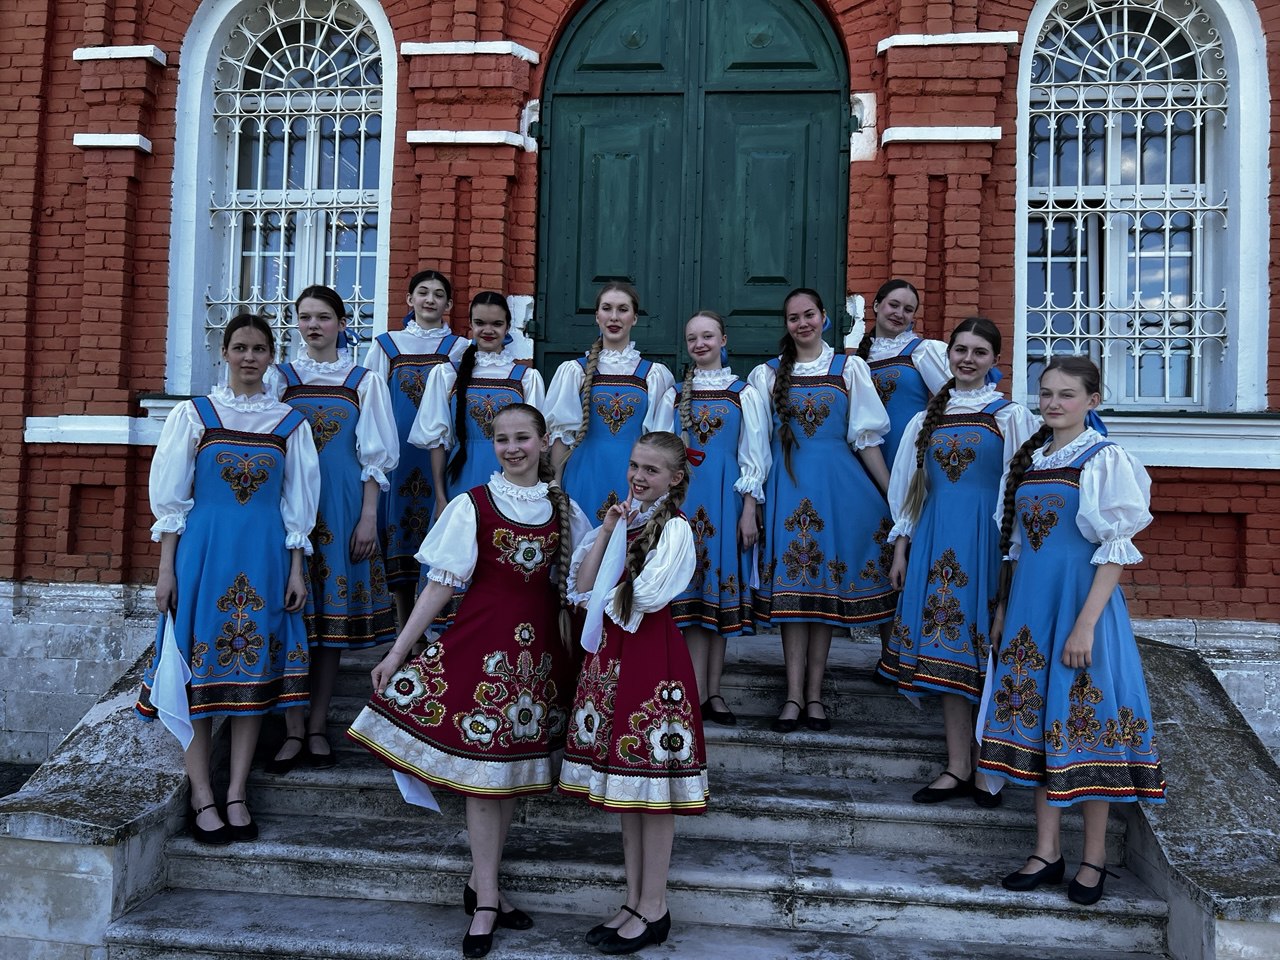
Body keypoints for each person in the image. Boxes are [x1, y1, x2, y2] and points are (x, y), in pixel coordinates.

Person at [347, 404, 591, 958]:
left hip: (538, 661)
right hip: (482, 653)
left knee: (506, 779)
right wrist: (399, 650)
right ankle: (486, 900)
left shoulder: (564, 508)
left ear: (544, 441)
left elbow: (583, 579)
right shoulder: (472, 504)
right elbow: (439, 586)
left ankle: (485, 886)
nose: (512, 448)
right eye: (502, 439)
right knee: (484, 781)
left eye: (523, 438)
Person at [977, 355, 1166, 905]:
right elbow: (1016, 550)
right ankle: (1046, 852)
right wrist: (1003, 611)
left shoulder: (1104, 459)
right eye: (1046, 393)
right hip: (1030, 612)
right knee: (1042, 723)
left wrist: (1085, 627)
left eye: (1066, 394)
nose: (1053, 403)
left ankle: (1094, 858)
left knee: (1086, 726)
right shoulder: (1032, 460)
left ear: (1092, 401)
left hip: (1082, 610)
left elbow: (1115, 552)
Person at [135, 314, 319, 844]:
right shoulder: (195, 415)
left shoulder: (290, 424)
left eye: (259, 349)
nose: (249, 357)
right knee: (197, 681)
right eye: (240, 347)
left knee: (252, 677)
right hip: (203, 556)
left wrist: (297, 569)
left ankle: (237, 792)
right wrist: (166, 571)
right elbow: (172, 502)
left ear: (271, 356)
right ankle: (202, 795)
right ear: (224, 352)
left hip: (264, 558)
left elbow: (297, 505)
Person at [878, 318, 1039, 807]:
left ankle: (990, 766)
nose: (968, 359)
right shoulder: (924, 420)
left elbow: (1024, 491)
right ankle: (957, 766)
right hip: (934, 542)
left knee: (986, 655)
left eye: (979, 352)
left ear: (995, 360)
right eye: (960, 350)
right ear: (948, 355)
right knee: (946, 653)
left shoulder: (1011, 417)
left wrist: (1016, 556)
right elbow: (910, 491)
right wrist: (901, 547)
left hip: (987, 544)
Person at [559, 431, 705, 955]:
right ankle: (634, 899)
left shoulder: (676, 529)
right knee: (628, 791)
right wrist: (607, 531)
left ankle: (655, 905)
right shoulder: (626, 521)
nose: (639, 477)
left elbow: (643, 596)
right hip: (613, 657)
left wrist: (600, 594)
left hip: (651, 661)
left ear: (675, 478)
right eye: (635, 466)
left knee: (652, 791)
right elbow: (582, 586)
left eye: (651, 470)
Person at [749, 288, 896, 733]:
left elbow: (865, 439)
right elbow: (756, 446)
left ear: (824, 317)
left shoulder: (849, 368)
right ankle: (793, 696)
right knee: (794, 597)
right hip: (787, 489)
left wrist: (892, 497)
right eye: (793, 317)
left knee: (824, 596)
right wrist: (754, 501)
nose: (802, 323)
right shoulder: (765, 375)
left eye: (808, 314)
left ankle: (814, 695)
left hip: (838, 491)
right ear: (786, 324)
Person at [268, 285, 399, 772]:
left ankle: (318, 726)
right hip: (288, 509)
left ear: (342, 323)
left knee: (329, 628)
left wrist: (368, 517)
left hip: (342, 509)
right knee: (293, 620)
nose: (313, 325)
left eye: (323, 317)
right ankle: (291, 728)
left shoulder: (363, 381)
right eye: (305, 317)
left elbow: (374, 456)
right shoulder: (280, 379)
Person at [661, 311, 769, 725]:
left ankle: (714, 692)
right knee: (688, 600)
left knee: (717, 598)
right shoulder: (672, 395)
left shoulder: (744, 393)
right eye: (693, 338)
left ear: (723, 340)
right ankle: (691, 691)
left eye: (708, 336)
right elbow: (659, 452)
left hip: (725, 503)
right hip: (683, 503)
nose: (700, 344)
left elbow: (754, 455)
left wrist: (749, 510)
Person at [365, 269, 470, 627]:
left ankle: (431, 629)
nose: (430, 300)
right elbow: (371, 401)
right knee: (398, 534)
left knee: (437, 534)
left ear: (448, 304)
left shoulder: (459, 349)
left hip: (440, 457)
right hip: (397, 455)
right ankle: (403, 628)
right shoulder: (387, 345)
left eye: (438, 294)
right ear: (409, 299)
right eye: (423, 292)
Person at [545, 281, 675, 522]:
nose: (614, 317)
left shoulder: (654, 374)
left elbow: (660, 442)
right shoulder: (574, 371)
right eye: (607, 308)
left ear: (634, 318)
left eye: (623, 309)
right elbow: (561, 436)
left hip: (635, 478)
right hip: (585, 473)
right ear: (597, 316)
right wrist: (556, 486)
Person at [410, 290, 546, 517]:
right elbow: (437, 442)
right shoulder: (446, 374)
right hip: (461, 477)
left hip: (513, 479)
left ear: (508, 327)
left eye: (497, 324)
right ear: (471, 325)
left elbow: (536, 444)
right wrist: (441, 498)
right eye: (481, 323)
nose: (488, 330)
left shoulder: (526, 378)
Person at [853, 279, 950, 468]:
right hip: (863, 459)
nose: (899, 314)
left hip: (908, 454)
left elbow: (958, 397)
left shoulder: (922, 351)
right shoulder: (857, 361)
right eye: (894, 305)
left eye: (908, 309)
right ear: (876, 305)